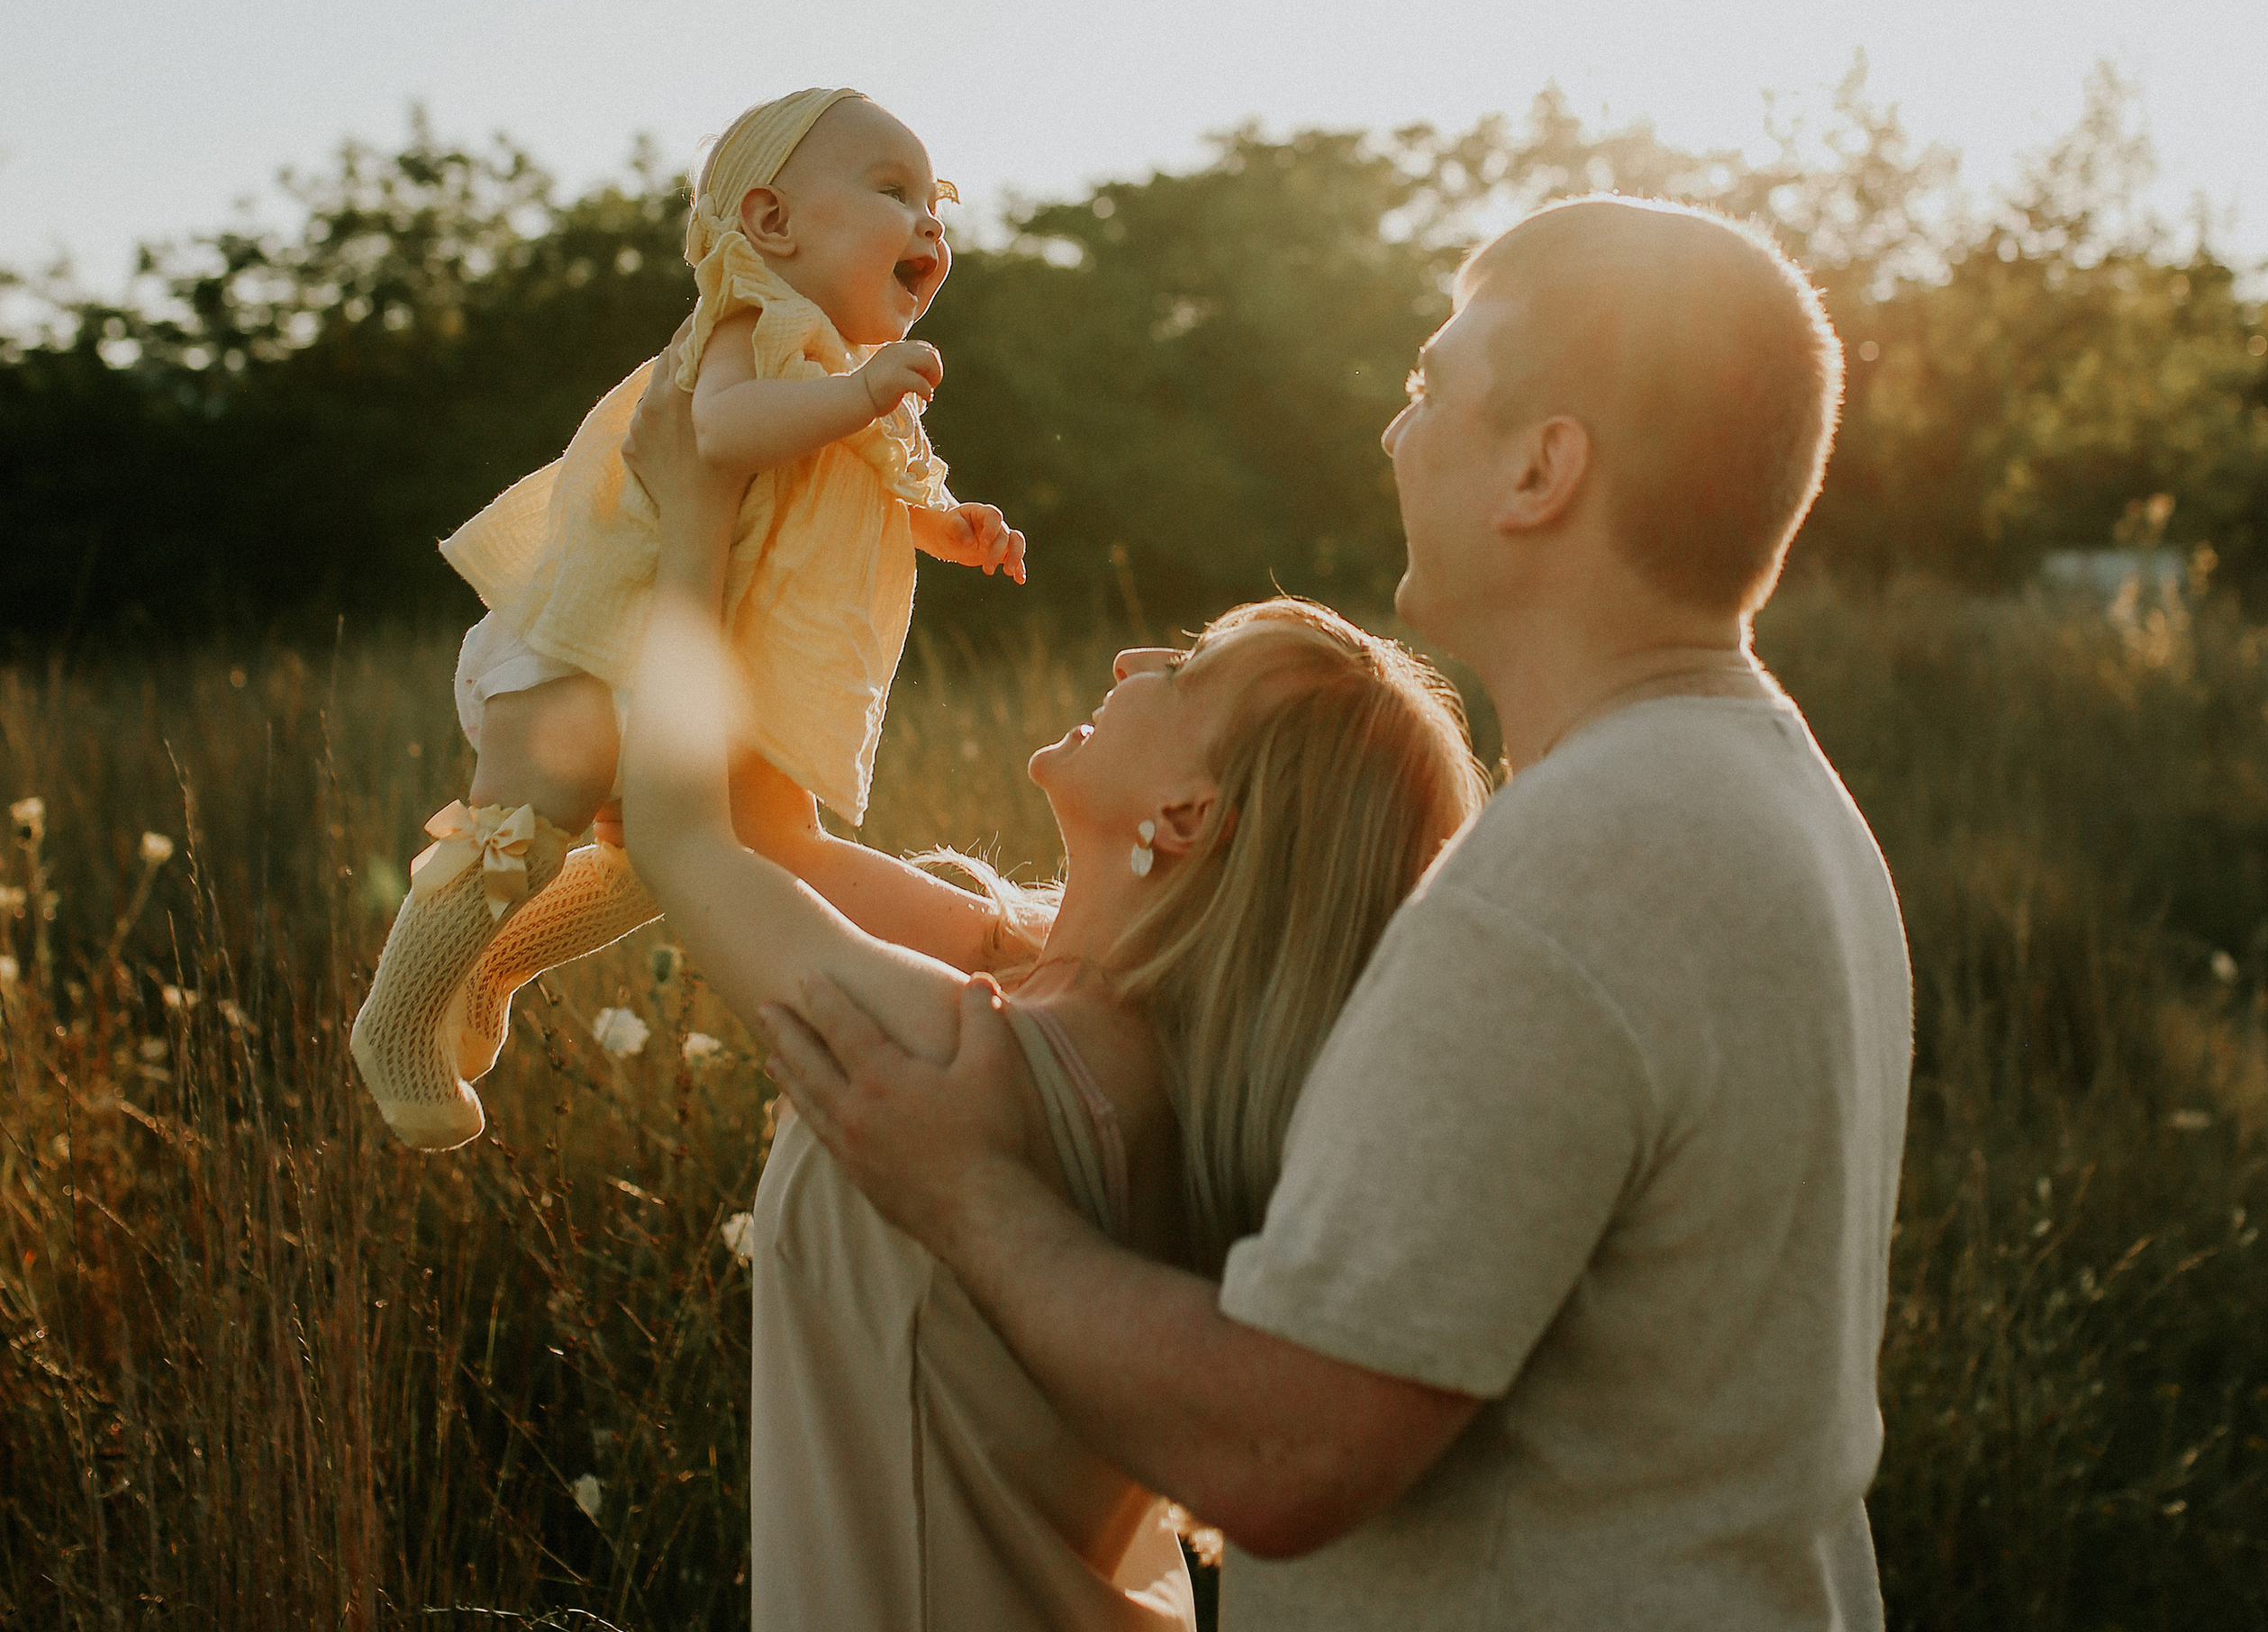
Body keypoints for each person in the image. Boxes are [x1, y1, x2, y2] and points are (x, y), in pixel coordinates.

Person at [762, 195, 1917, 1630]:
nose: (1395, 429)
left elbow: (1290, 1449)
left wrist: (970, 1197)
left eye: (1435, 386)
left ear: (1542, 470)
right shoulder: (1777, 799)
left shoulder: (1563, 876)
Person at [612, 346, 1489, 1628]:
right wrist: (826, 503)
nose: (1136, 660)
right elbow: (771, 836)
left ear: (1187, 814)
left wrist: (694, 509)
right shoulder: (1101, 1021)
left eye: (1184, 675)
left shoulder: (958, 1059)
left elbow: (684, 837)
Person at [353, 87, 1026, 1150]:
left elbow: (885, 485)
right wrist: (861, 399)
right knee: (531, 817)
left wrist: (952, 528)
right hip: (589, 636)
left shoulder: (836, 373)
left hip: (675, 660)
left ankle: (492, 963)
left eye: (937, 200)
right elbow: (722, 428)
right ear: (770, 224)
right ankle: (392, 1027)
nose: (932, 223)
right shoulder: (752, 322)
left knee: (659, 866)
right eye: (894, 191)